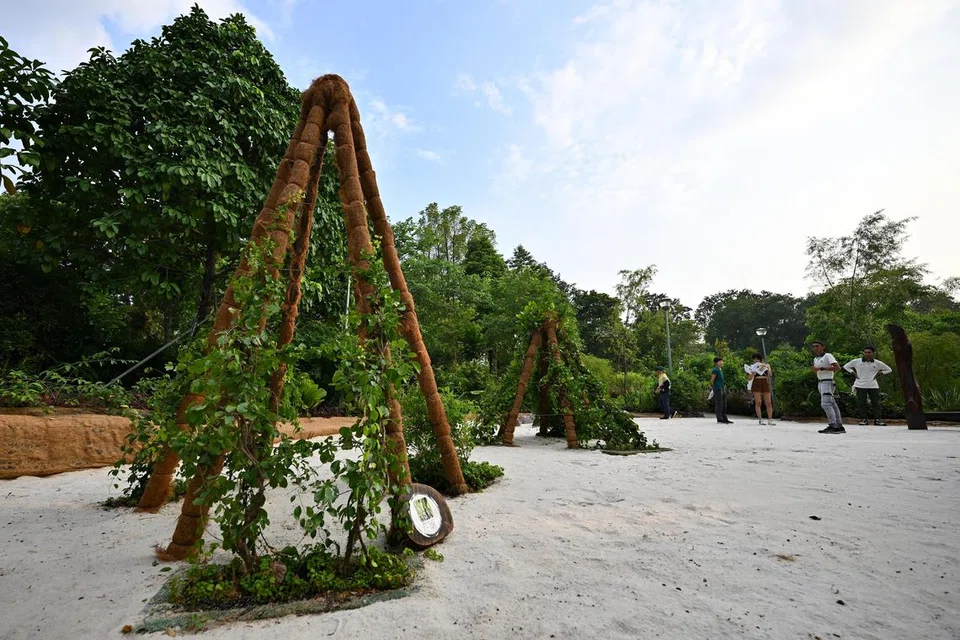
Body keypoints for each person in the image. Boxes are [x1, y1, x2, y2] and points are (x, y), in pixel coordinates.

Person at [843, 346, 893, 425]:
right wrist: (853, 373)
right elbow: (846, 366)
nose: (867, 354)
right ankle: (864, 420)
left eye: (869, 352)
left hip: (873, 385)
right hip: (860, 385)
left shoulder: (877, 363)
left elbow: (889, 369)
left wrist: (880, 373)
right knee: (862, 403)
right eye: (865, 352)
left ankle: (877, 420)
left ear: (873, 353)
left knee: (876, 403)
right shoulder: (856, 361)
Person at [812, 341, 844, 433]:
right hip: (821, 381)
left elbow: (837, 367)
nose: (815, 348)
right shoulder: (816, 358)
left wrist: (823, 368)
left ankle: (833, 425)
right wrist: (815, 370)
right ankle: (838, 424)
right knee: (832, 404)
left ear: (823, 347)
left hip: (827, 381)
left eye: (817, 346)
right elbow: (817, 370)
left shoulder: (828, 356)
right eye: (813, 346)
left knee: (826, 404)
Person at [748, 353, 776, 425]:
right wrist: (753, 373)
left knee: (768, 402)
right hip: (756, 382)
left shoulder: (766, 365)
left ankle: (770, 419)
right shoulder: (753, 367)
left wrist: (768, 368)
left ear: (760, 360)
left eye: (757, 359)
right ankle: (760, 419)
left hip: (765, 382)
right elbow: (749, 378)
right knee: (758, 402)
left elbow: (770, 374)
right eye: (754, 359)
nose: (755, 361)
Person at [708, 357, 733, 424]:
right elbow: (712, 380)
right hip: (718, 388)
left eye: (722, 361)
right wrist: (714, 388)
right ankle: (720, 419)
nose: (721, 362)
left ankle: (724, 418)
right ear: (716, 363)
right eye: (720, 361)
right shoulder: (715, 370)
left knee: (724, 404)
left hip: (722, 387)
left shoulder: (720, 369)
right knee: (719, 404)